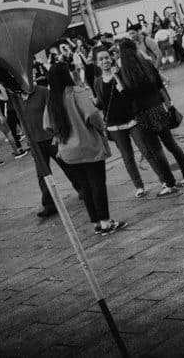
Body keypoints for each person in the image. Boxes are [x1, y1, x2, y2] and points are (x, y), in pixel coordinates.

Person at [44, 62, 126, 236]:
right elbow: (93, 115)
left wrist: (60, 135)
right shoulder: (76, 92)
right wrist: (101, 128)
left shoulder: (52, 99)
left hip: (68, 151)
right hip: (88, 146)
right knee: (97, 185)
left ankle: (96, 222)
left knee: (85, 187)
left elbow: (47, 126)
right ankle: (105, 222)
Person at [116, 39, 184, 194]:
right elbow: (160, 86)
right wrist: (169, 106)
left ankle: (170, 183)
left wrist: (120, 87)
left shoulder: (123, 73)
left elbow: (128, 97)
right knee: (171, 144)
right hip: (158, 108)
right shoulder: (147, 65)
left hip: (142, 114)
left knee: (156, 150)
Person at [15, 81, 86, 219]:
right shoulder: (16, 98)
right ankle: (49, 204)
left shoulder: (42, 91)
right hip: (35, 142)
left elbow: (54, 112)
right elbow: (21, 119)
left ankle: (82, 188)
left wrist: (57, 133)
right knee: (42, 174)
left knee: (67, 164)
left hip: (50, 137)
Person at [93, 45, 154, 197]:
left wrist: (117, 77)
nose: (105, 61)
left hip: (132, 119)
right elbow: (102, 103)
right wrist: (95, 103)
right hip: (114, 125)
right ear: (96, 63)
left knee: (146, 150)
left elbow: (129, 94)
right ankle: (139, 186)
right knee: (127, 157)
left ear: (111, 58)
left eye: (106, 57)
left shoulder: (120, 73)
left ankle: (164, 179)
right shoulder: (97, 82)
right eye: (101, 59)